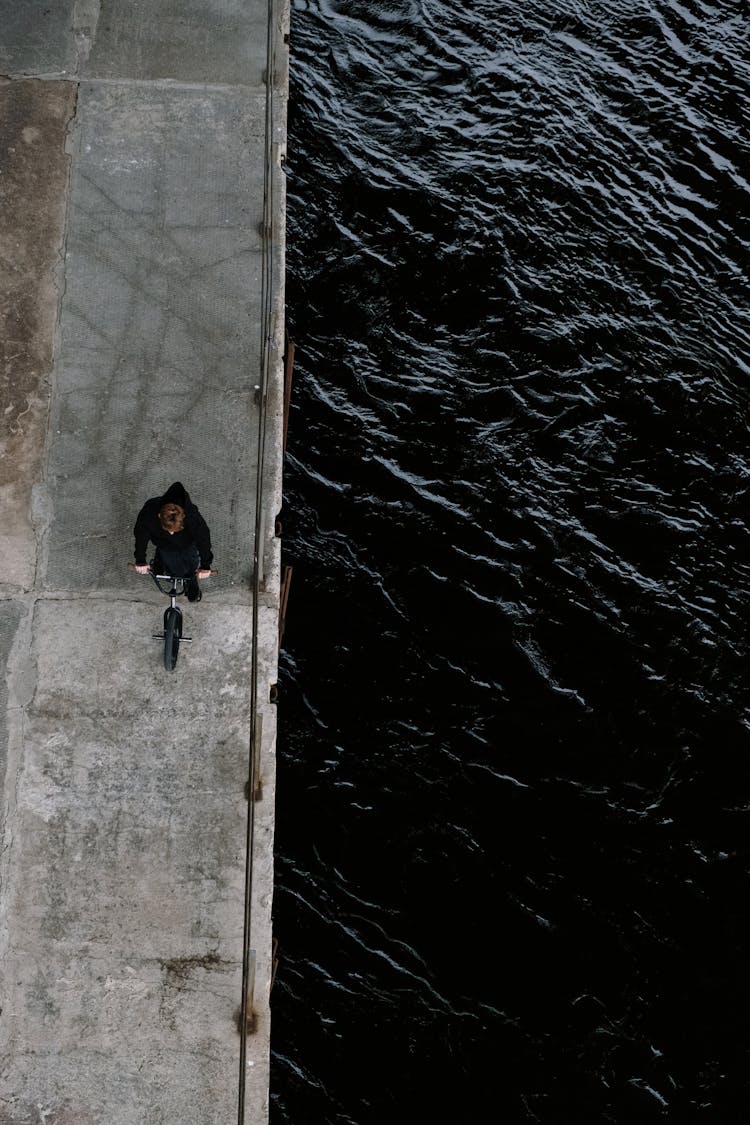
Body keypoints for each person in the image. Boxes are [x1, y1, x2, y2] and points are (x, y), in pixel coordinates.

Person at [132, 481, 213, 602]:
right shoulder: (149, 511)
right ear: (159, 516)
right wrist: (140, 560)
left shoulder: (192, 516)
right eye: (168, 529)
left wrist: (206, 565)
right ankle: (161, 557)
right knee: (171, 564)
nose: (171, 533)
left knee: (192, 563)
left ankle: (190, 580)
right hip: (163, 542)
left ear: (184, 517)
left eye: (175, 530)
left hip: (187, 542)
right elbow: (141, 535)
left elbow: (203, 538)